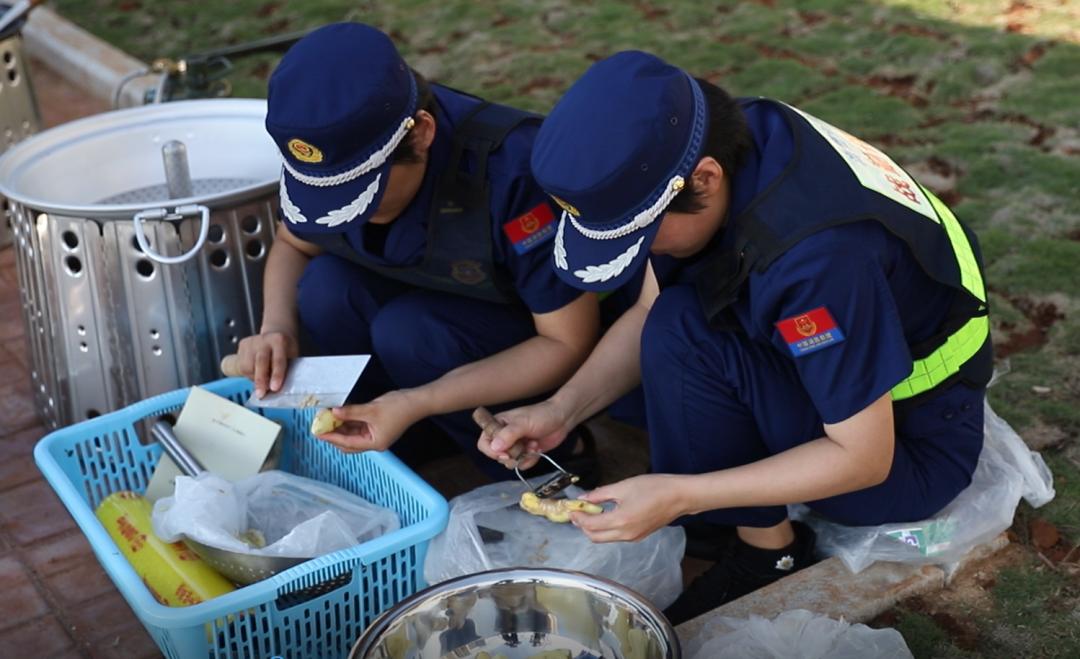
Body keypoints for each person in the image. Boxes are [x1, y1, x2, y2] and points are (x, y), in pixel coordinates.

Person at [478, 51, 992, 623]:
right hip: (845, 380)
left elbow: (864, 460)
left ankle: (767, 554)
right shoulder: (704, 136)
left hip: (911, 446)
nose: (641, 251)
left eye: (640, 234)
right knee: (676, 320)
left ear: (704, 179)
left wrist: (684, 493)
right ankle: (733, 523)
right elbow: (651, 307)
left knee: (686, 334)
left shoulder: (817, 261)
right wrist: (561, 409)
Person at [232, 23, 601, 478]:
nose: (349, 218)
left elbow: (567, 341)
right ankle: (395, 445)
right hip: (413, 349)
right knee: (326, 289)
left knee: (410, 331)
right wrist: (276, 327)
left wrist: (419, 400)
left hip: (512, 344)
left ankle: (537, 465)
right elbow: (294, 242)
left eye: (362, 194)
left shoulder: (513, 174)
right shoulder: (329, 150)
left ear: (422, 134)